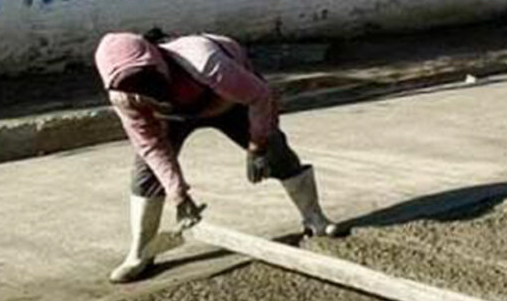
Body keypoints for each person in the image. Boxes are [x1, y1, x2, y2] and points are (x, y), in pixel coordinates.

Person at [96, 30, 345, 283]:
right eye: (130, 85)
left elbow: (260, 96)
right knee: (147, 174)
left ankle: (315, 219)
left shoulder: (204, 61)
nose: (142, 91)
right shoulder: (123, 96)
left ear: (156, 61)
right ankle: (140, 253)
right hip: (173, 118)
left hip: (231, 104)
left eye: (145, 79)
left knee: (276, 152)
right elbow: (151, 146)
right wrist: (178, 193)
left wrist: (257, 146)